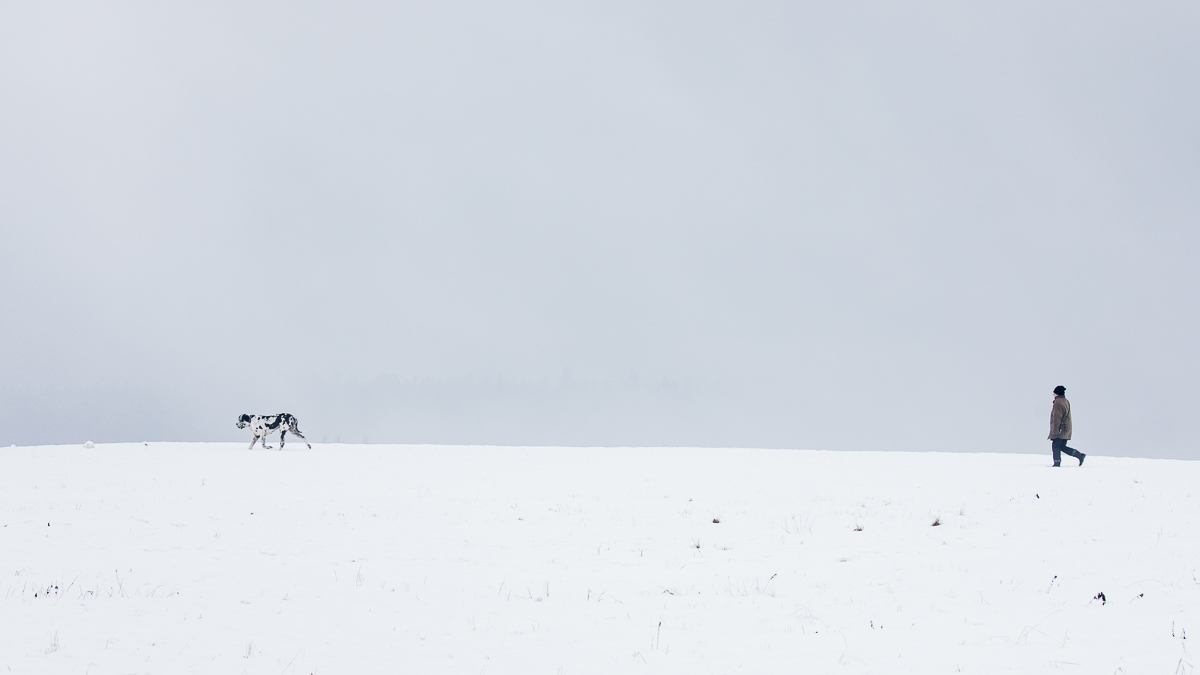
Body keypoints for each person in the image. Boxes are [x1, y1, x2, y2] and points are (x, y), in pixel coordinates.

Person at [1049, 385, 1085, 467]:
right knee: (1062, 446)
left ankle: (1057, 463)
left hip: (1060, 429)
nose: (1053, 394)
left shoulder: (1058, 402)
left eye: (1054, 393)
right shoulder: (1065, 401)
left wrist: (1055, 430)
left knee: (1056, 446)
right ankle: (1079, 455)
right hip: (1066, 429)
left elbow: (1057, 418)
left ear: (1057, 393)